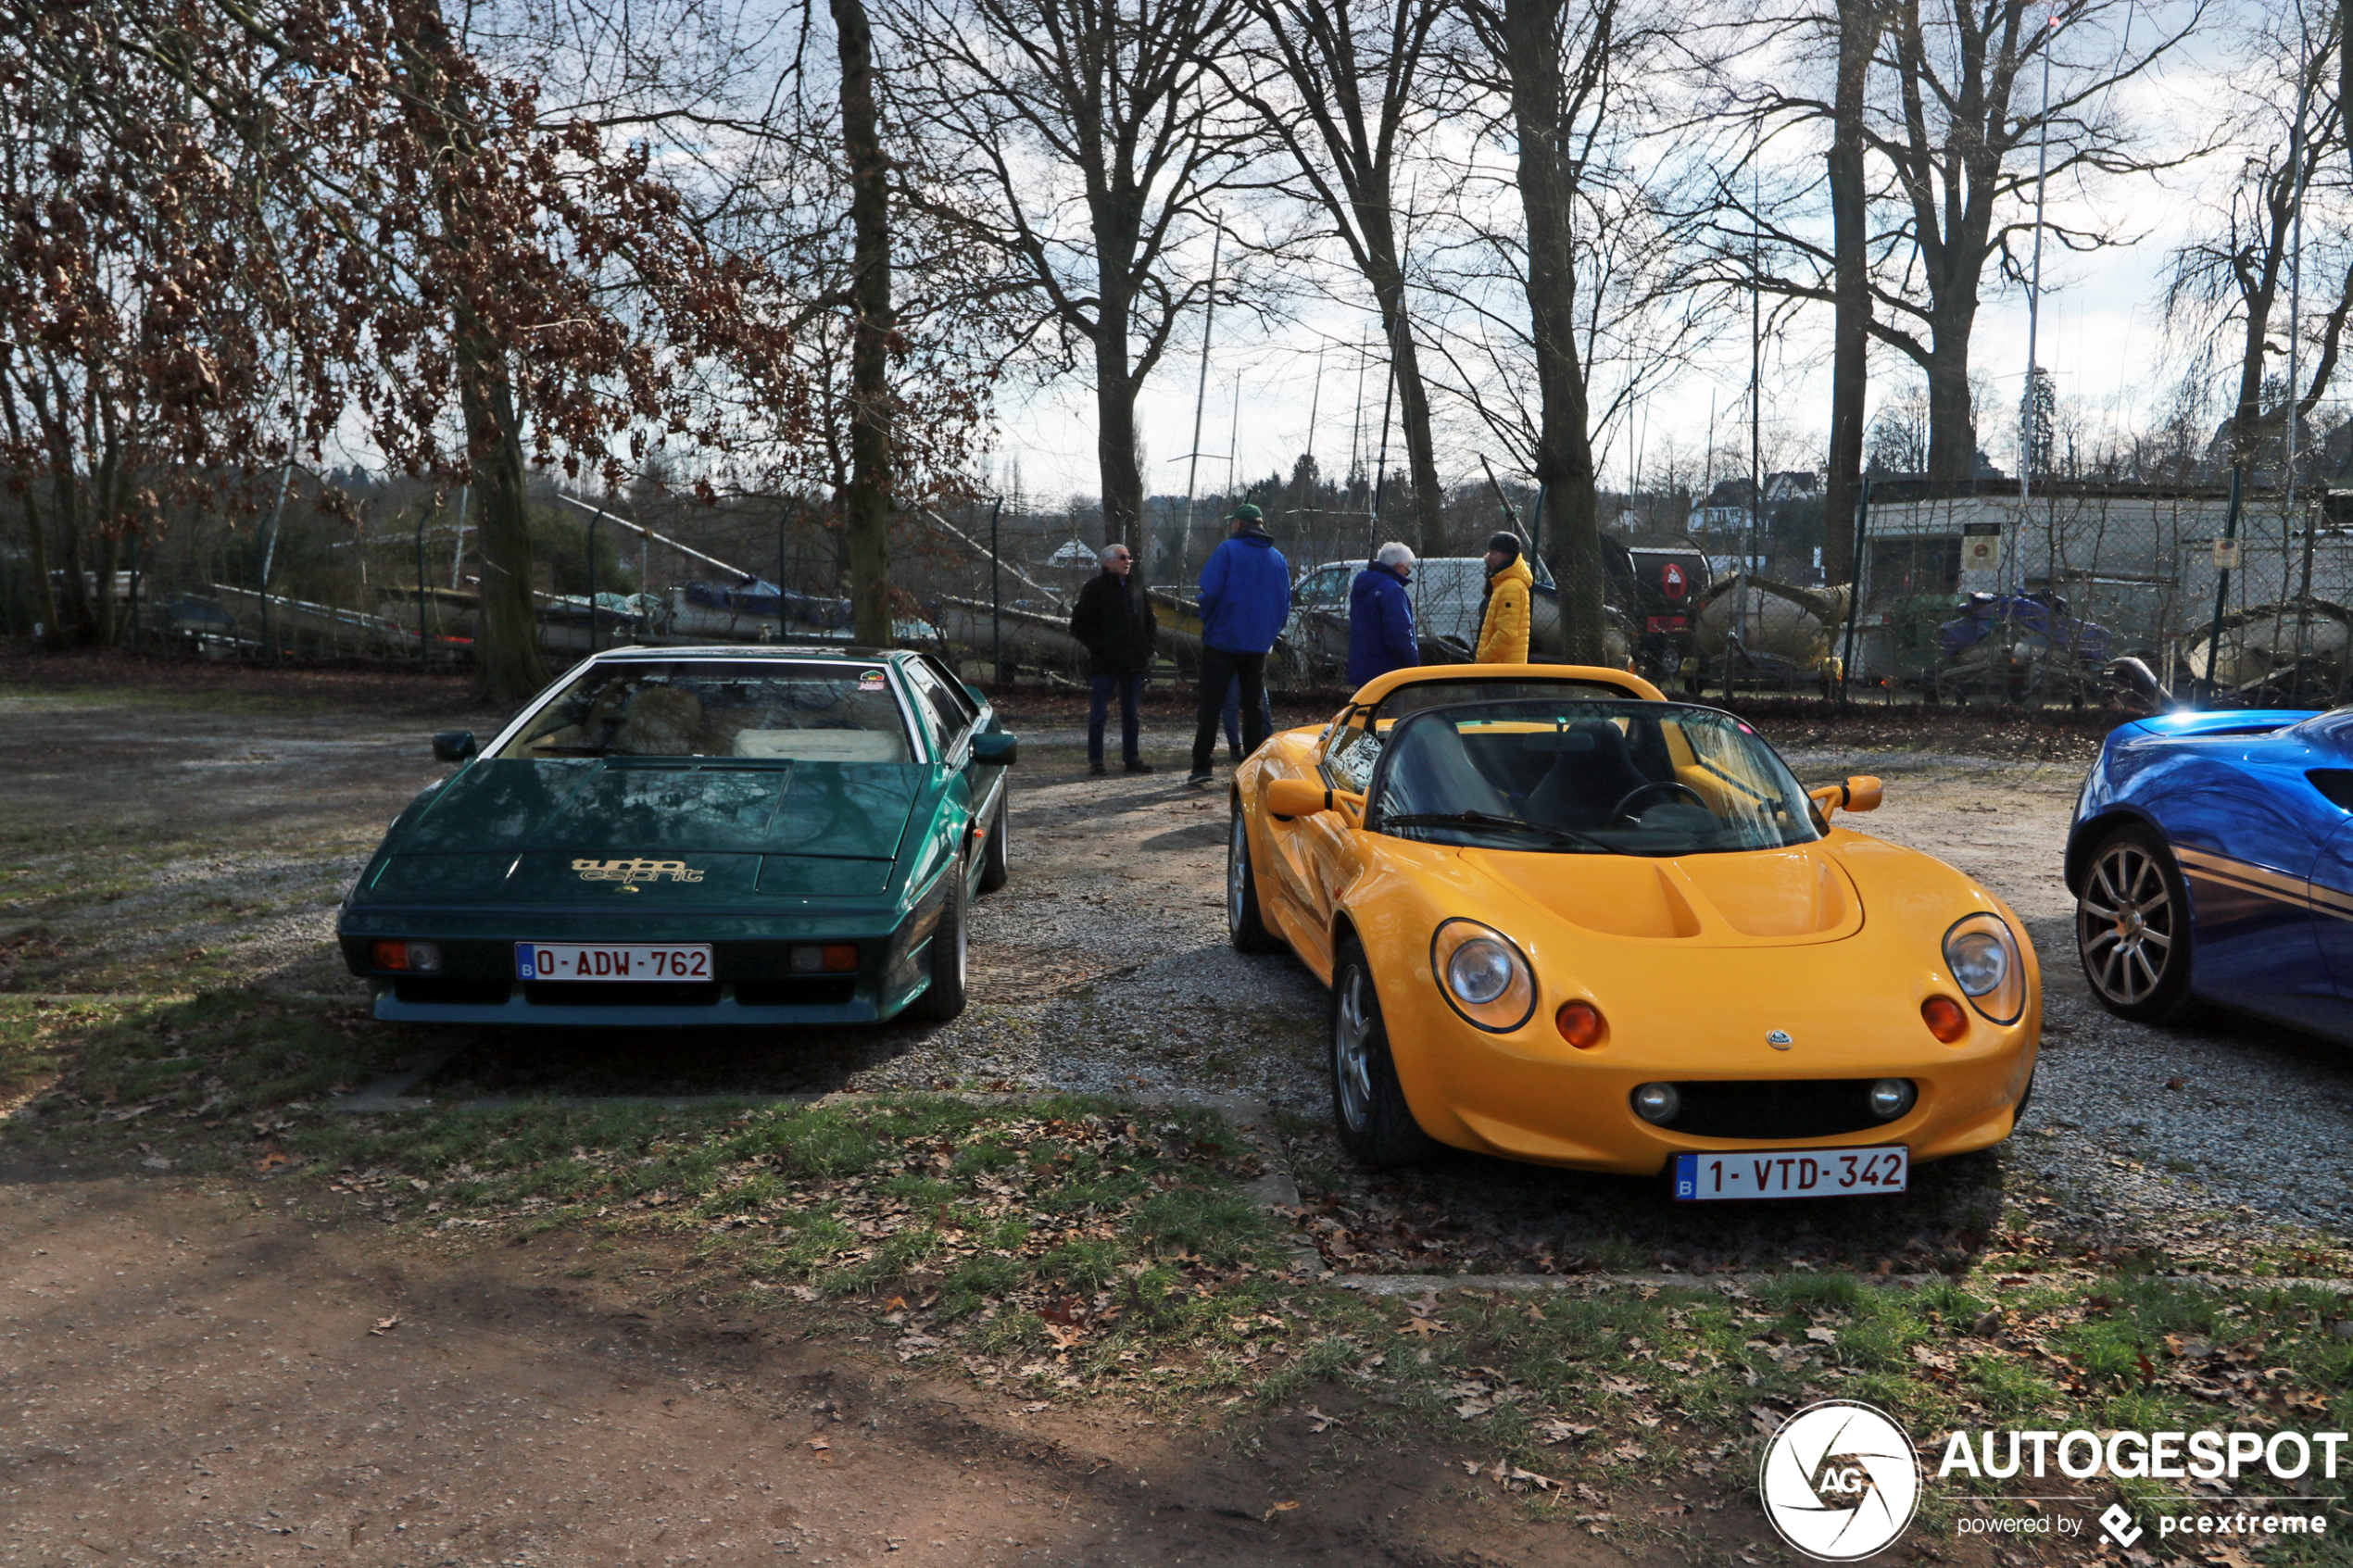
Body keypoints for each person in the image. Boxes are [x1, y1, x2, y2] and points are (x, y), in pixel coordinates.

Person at [1189, 503, 1289, 785]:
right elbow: (1284, 605)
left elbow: (1209, 591)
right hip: (1257, 644)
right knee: (1254, 706)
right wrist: (1268, 633)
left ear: (1238, 525)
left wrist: (1210, 621)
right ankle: (1253, 769)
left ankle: (1201, 765)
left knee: (1211, 704)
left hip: (1223, 639)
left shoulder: (1227, 551)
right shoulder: (1278, 559)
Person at [1068, 542, 1157, 775]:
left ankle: (1132, 758)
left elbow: (1149, 621)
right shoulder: (1094, 589)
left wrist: (1147, 648)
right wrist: (1099, 648)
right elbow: (1078, 625)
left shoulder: (1137, 587)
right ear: (1108, 562)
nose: (1127, 561)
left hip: (1133, 662)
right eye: (1122, 557)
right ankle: (1096, 760)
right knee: (1099, 713)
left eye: (1129, 557)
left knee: (1132, 713)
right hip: (1105, 663)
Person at [1348, 542, 1417, 687]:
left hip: (1363, 668)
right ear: (1399, 567)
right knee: (1392, 710)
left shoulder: (1362, 586)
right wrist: (1413, 664)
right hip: (1388, 672)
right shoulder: (1392, 590)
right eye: (1407, 570)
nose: (1407, 574)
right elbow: (1399, 636)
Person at [1475, 530, 1533, 665]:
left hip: (1501, 672)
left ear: (1506, 555)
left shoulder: (1510, 587)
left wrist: (1483, 658)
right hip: (1506, 670)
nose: (1488, 558)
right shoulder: (1507, 584)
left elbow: (1506, 634)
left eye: (1493, 553)